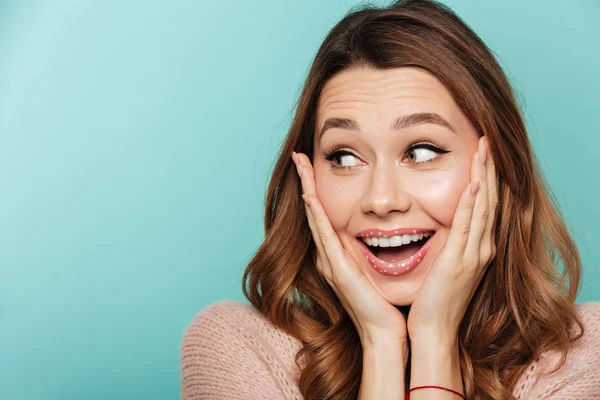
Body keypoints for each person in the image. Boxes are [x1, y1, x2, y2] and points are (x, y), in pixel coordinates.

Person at [180, 0, 600, 399]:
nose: (381, 200)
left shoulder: (585, 360)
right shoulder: (238, 349)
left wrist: (435, 339)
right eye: (344, 157)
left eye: (421, 151)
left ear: (498, 167)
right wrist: (381, 344)